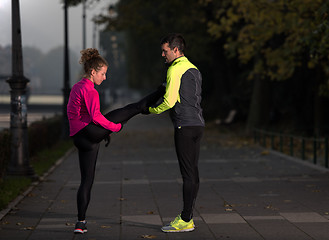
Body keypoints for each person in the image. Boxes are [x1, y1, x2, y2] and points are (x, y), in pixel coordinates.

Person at [67, 48, 164, 234]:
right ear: (93, 72)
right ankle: (159, 92)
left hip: (79, 138)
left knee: (86, 181)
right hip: (90, 133)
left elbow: (82, 115)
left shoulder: (77, 87)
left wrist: (104, 132)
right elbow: (95, 117)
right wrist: (114, 128)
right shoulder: (91, 91)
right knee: (131, 109)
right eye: (103, 74)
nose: (104, 78)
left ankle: (80, 223)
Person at [147, 33, 205, 233]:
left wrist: (151, 110)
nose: (163, 55)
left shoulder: (174, 69)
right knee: (194, 173)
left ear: (176, 50)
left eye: (165, 51)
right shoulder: (194, 69)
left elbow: (170, 101)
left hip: (185, 127)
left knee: (187, 175)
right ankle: (188, 217)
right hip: (198, 125)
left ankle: (186, 219)